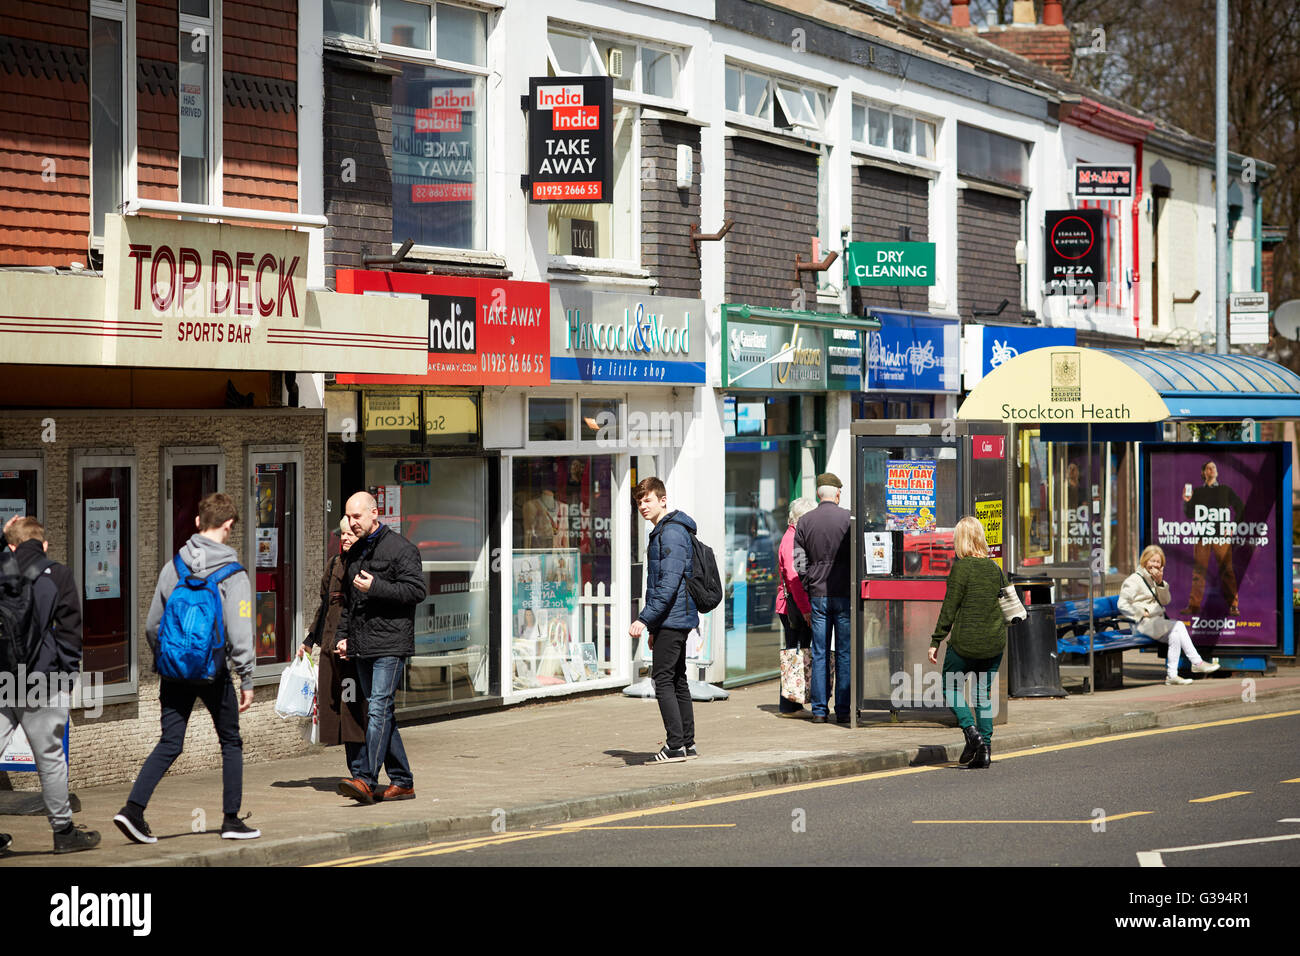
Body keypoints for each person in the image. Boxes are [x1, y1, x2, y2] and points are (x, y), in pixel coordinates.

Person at [114, 492, 260, 844]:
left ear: (197, 522)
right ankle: (230, 820)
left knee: (170, 742)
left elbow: (153, 625)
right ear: (228, 526)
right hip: (214, 672)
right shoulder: (233, 574)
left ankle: (132, 810)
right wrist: (247, 678)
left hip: (175, 670)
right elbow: (240, 632)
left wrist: (167, 658)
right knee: (230, 742)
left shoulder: (174, 566)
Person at [0, 517, 99, 854]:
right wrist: (68, 675)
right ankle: (64, 833)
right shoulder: (58, 574)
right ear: (43, 545)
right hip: (43, 681)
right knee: (51, 759)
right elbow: (70, 633)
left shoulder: (1, 568)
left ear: (11, 546)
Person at [334, 491, 427, 805]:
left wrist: (376, 586)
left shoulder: (401, 549)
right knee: (382, 712)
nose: (351, 522)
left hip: (391, 643)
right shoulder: (356, 552)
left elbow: (416, 590)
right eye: (348, 516)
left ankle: (366, 778)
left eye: (357, 516)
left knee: (376, 711)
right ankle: (402, 781)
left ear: (375, 513)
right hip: (362, 643)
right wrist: (343, 638)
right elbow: (349, 603)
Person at [629, 476, 699, 763]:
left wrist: (644, 619)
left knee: (663, 680)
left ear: (663, 499)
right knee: (677, 679)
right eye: (639, 502)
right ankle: (687, 743)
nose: (643, 506)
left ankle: (674, 746)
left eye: (647, 500)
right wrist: (654, 626)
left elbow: (668, 584)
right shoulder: (665, 531)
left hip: (672, 616)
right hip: (672, 618)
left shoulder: (670, 533)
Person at [927, 516, 1006, 769]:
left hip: (965, 644)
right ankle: (986, 750)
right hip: (994, 643)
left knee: (950, 687)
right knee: (982, 695)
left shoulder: (961, 568)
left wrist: (936, 640)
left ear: (960, 540)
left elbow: (949, 609)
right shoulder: (995, 569)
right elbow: (1008, 604)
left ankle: (972, 735)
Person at [298, 519, 367, 774]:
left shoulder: (365, 567)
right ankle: (356, 771)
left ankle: (362, 772)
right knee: (336, 713)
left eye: (351, 534)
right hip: (330, 650)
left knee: (354, 713)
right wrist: (308, 641)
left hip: (354, 652)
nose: (345, 538)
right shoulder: (334, 564)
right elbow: (325, 607)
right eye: (343, 534)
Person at [793, 473, 852, 724]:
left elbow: (798, 562)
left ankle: (818, 710)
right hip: (844, 593)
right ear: (837, 493)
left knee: (819, 652)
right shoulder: (848, 518)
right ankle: (843, 709)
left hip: (818, 595)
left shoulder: (805, 521)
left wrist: (809, 584)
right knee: (844, 653)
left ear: (819, 494)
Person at [1120, 545, 1222, 686]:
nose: (1155, 565)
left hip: (1156, 623)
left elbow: (1166, 601)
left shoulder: (1156, 580)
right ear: (1145, 561)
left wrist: (1160, 583)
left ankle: (1172, 675)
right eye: (1152, 561)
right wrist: (1141, 612)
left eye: (1158, 562)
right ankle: (1197, 662)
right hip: (1141, 624)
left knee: (1175, 634)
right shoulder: (1134, 580)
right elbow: (1122, 604)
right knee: (1178, 625)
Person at [1182, 461, 1243, 616]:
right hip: (1203, 536)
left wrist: (1232, 527)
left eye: (1214, 467)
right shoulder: (1196, 492)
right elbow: (1189, 514)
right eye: (1209, 468)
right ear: (1203, 473)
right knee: (1199, 572)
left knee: (1227, 571)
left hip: (1221, 537)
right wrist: (1186, 501)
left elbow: (1240, 507)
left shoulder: (1225, 490)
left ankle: (1233, 606)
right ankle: (1194, 606)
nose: (1212, 470)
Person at [776, 497, 816, 716]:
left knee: (796, 652)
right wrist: (806, 609)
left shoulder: (793, 537)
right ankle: (789, 704)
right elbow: (794, 579)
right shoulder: (792, 540)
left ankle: (792, 702)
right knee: (794, 654)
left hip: (790, 604)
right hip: (793, 606)